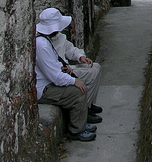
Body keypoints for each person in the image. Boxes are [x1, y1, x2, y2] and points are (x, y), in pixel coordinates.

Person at [35, 8, 103, 141]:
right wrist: (74, 81)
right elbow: (54, 75)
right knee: (78, 92)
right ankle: (77, 130)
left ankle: (81, 121)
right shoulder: (42, 45)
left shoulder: (46, 40)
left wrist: (73, 62)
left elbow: (62, 57)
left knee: (87, 77)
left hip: (52, 80)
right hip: (45, 88)